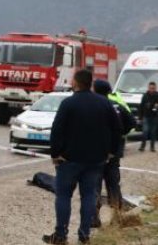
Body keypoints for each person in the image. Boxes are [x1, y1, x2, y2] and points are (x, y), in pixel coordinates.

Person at [43, 70, 121, 245]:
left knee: (63, 196)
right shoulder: (104, 103)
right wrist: (111, 151)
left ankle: (61, 235)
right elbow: (117, 128)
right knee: (89, 197)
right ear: (90, 83)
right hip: (95, 160)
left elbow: (56, 130)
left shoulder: (68, 103)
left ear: (76, 83)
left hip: (69, 159)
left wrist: (55, 154)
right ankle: (84, 235)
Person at [92, 79, 136, 226]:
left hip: (95, 154)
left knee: (94, 186)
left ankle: (94, 218)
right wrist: (121, 134)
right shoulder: (117, 105)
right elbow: (132, 122)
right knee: (113, 185)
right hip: (113, 153)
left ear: (95, 90)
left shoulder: (93, 105)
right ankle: (117, 217)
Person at [138, 81, 158, 152]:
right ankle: (142, 146)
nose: (152, 89)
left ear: (155, 88)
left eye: (153, 88)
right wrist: (140, 117)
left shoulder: (157, 95)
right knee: (145, 132)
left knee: (153, 133)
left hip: (155, 117)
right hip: (146, 116)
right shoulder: (145, 95)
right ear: (148, 88)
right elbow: (141, 106)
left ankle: (152, 147)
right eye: (150, 88)